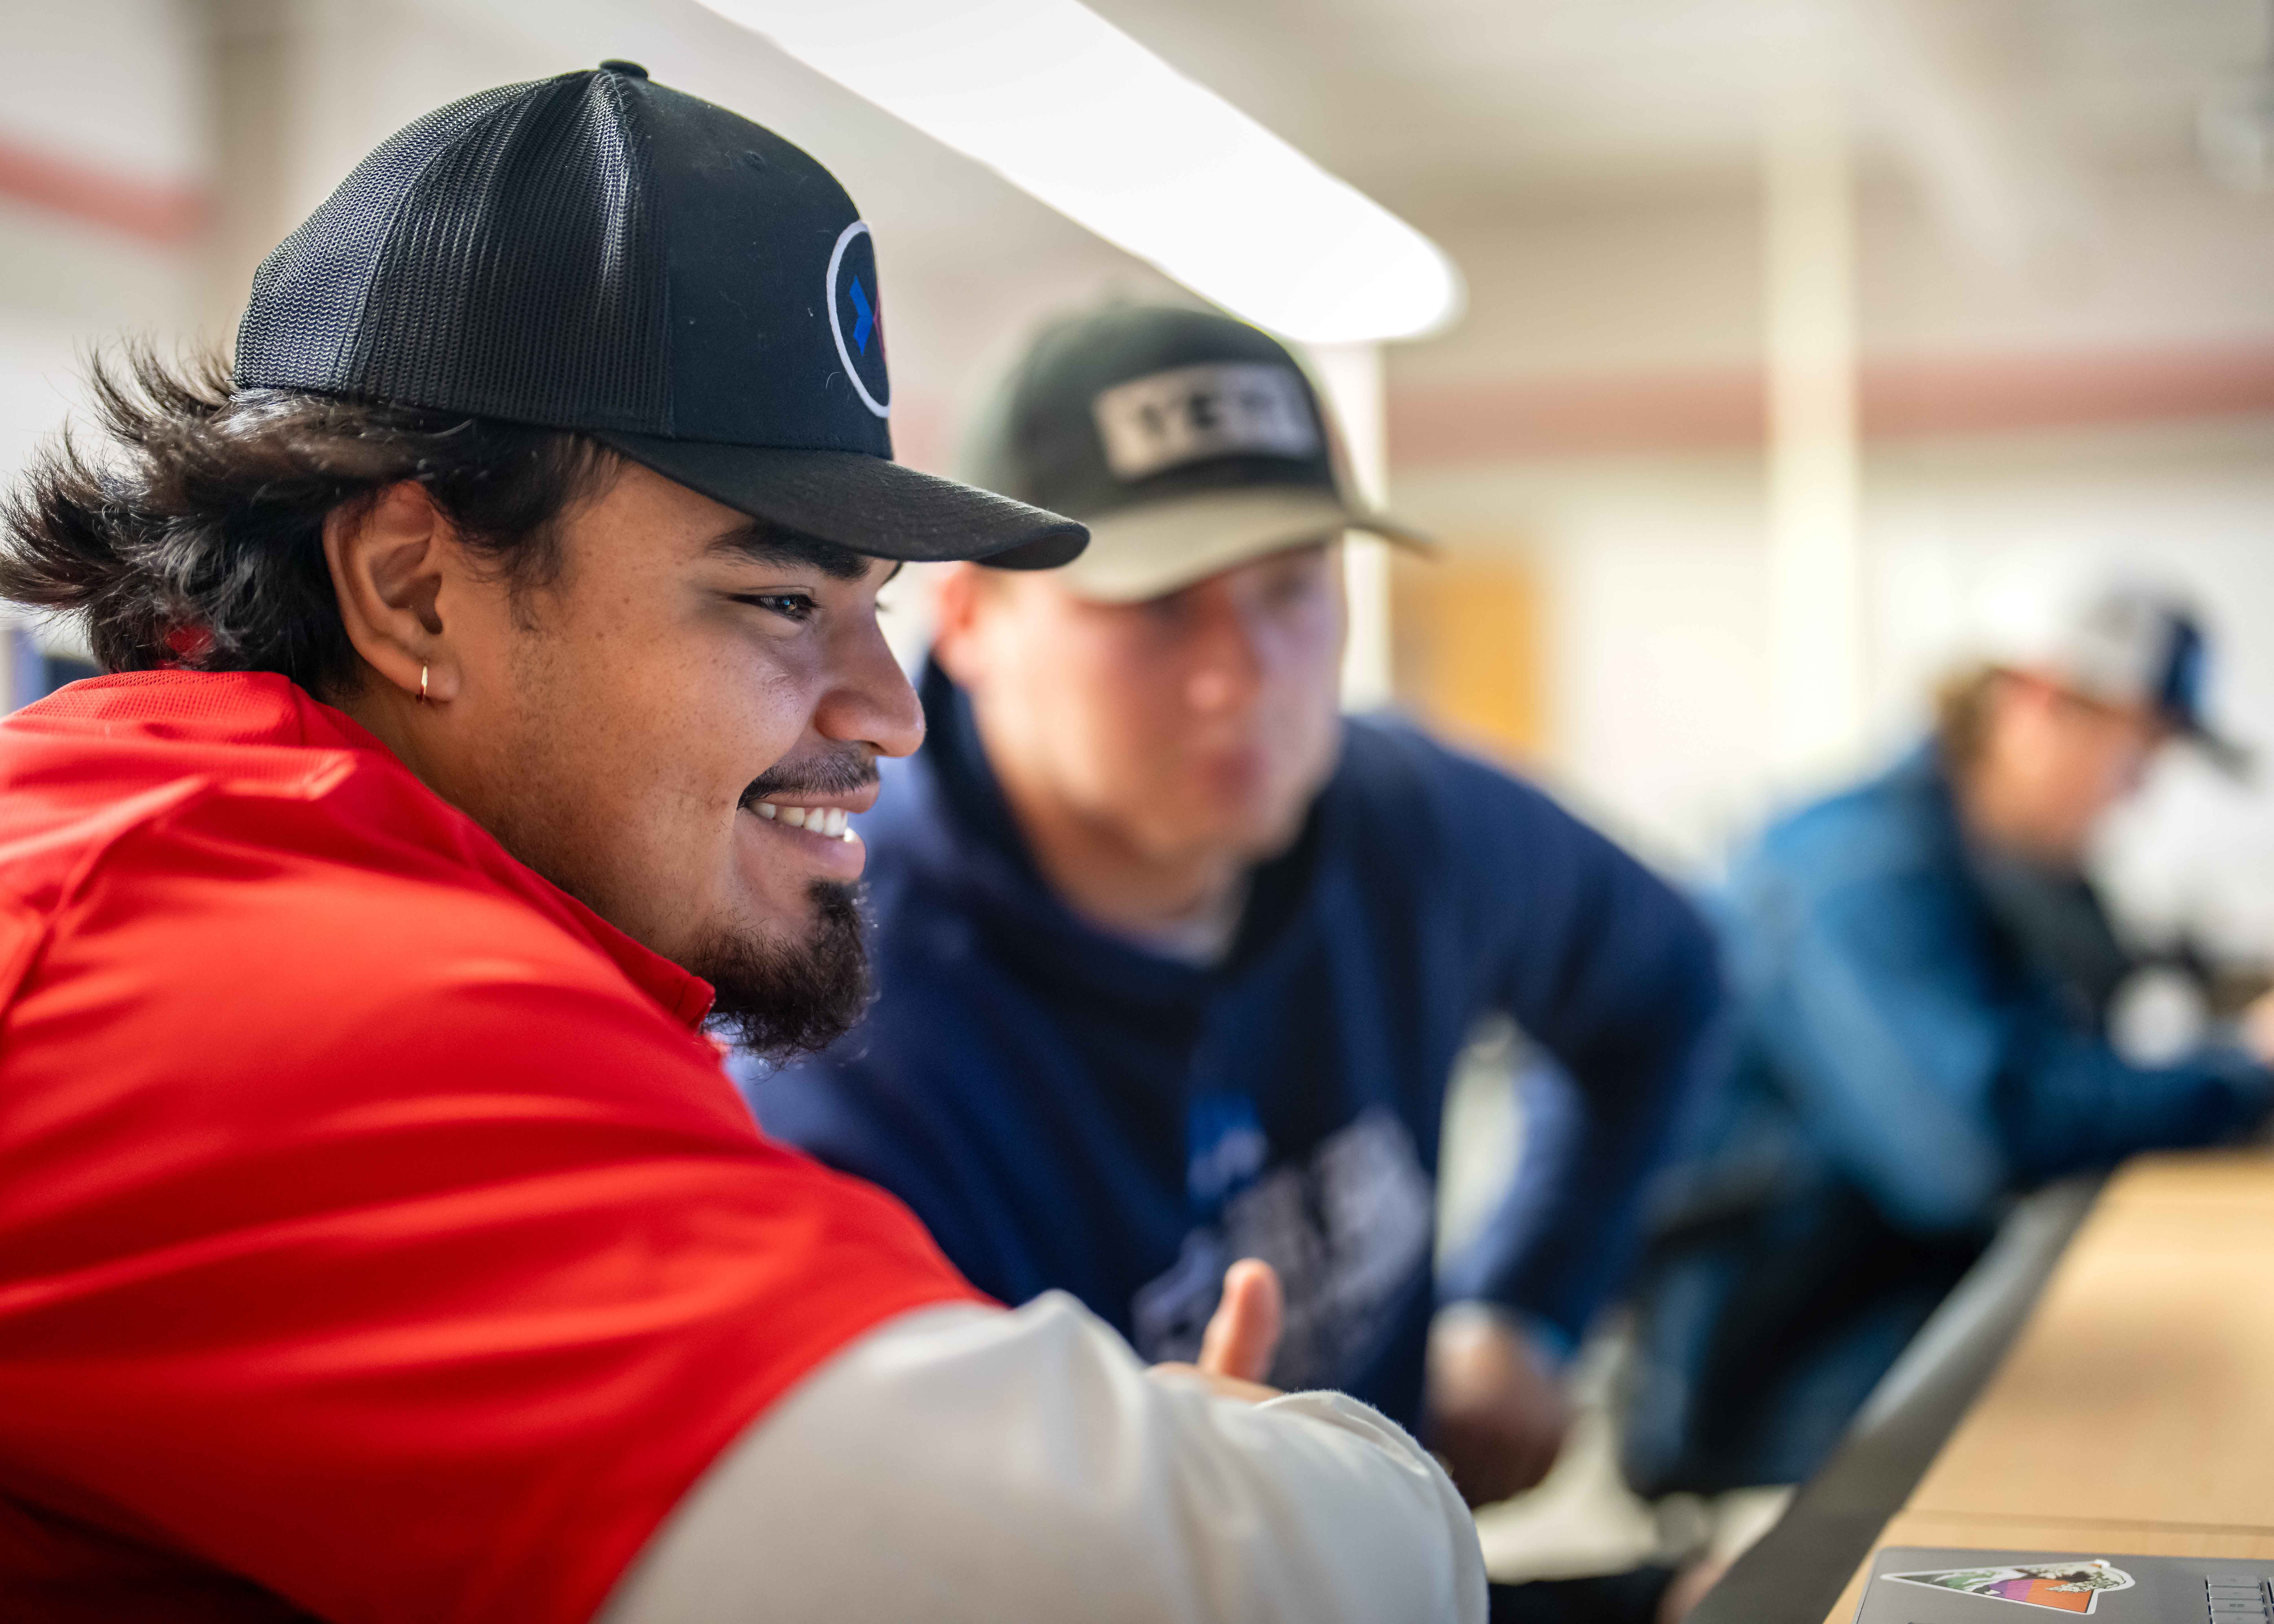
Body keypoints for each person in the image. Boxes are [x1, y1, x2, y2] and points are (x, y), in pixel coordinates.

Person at [0, 67, 1489, 1623]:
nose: (892, 713)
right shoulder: (233, 965)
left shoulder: (266, 859)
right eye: (780, 602)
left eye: (874, 607)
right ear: (415, 591)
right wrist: (1286, 1468)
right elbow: (1124, 1578)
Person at [745, 302, 1726, 1525]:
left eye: (1291, 588)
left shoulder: (1406, 822)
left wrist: (1528, 1306)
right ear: (974, 621)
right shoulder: (832, 1013)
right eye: (1158, 606)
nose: (1244, 674)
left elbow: (1668, 978)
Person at [1620, 583, 2274, 1498]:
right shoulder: (1855, 874)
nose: (2134, 803)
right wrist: (2241, 1073)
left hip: (1908, 1286)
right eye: (2135, 760)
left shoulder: (1994, 867)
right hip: (1796, 1342)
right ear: (2040, 705)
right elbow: (1965, 1147)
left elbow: (2084, 1040)